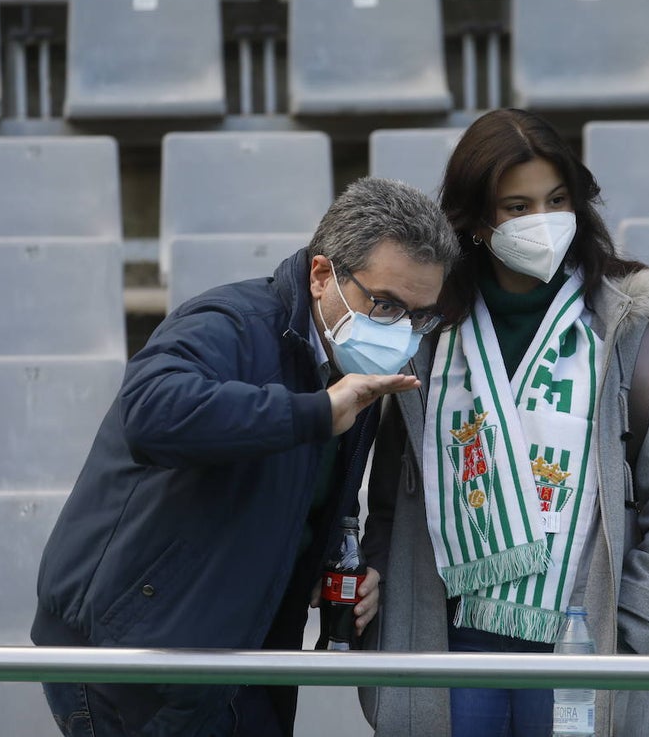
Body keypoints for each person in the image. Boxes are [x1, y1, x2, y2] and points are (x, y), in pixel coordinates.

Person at [32, 177, 459, 737]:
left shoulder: (350, 366)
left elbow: (293, 496)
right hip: (134, 662)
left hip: (243, 661)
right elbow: (150, 410)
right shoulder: (230, 322)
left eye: (419, 316)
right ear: (322, 275)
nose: (401, 332)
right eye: (385, 304)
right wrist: (314, 412)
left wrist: (335, 563)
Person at [359, 109, 649, 737]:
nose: (543, 221)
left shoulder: (629, 329)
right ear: (477, 221)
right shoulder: (424, 332)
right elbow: (391, 503)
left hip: (582, 644)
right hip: (449, 642)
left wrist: (628, 633)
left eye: (556, 200)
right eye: (518, 207)